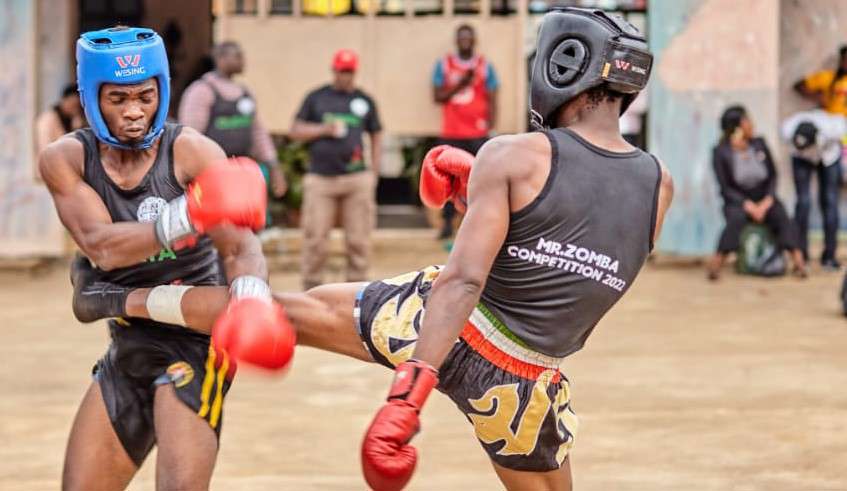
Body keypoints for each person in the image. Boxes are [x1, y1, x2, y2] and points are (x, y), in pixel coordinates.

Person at [71, 9, 672, 491]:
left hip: (441, 323)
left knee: (281, 311)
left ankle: (123, 298)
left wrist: (407, 397)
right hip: (525, 377)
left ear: (563, 65)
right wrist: (483, 197)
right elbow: (582, 261)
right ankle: (120, 300)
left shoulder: (514, 155)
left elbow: (464, 281)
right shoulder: (657, 184)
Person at [39, 27, 293, 491]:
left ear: (162, 90)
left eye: (145, 96)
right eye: (118, 99)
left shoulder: (192, 150)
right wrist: (191, 213)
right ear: (91, 98)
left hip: (195, 339)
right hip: (131, 338)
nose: (135, 111)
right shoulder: (67, 159)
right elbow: (101, 246)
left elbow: (240, 246)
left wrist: (251, 298)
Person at [289, 49, 383, 290]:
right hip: (321, 179)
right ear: (334, 70)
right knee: (316, 239)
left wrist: (374, 171)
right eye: (341, 71)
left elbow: (376, 134)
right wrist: (324, 129)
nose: (345, 76)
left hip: (356, 178)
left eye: (349, 71)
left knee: (358, 240)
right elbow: (296, 130)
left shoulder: (365, 100)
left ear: (355, 72)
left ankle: (356, 293)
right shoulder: (316, 98)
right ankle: (311, 290)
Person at [706, 105, 806, 280]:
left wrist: (768, 200)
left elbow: (773, 175)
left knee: (781, 216)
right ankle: (717, 262)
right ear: (736, 127)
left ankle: (798, 261)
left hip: (765, 198)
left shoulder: (759, 144)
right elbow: (725, 188)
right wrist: (748, 206)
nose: (751, 124)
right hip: (738, 201)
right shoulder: (721, 152)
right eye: (747, 120)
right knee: (736, 220)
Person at [179, 41, 287, 200]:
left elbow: (258, 132)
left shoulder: (244, 92)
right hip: (211, 173)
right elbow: (190, 135)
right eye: (237, 56)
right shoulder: (202, 90)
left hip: (243, 170)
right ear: (220, 59)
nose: (243, 60)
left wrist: (273, 165)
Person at [432, 24, 499, 238]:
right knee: (449, 181)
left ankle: (477, 222)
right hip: (452, 132)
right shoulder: (444, 65)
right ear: (456, 41)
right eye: (461, 38)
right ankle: (447, 224)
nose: (465, 41)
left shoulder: (484, 66)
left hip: (477, 133)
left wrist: (491, 124)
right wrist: (460, 84)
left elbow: (493, 96)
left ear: (474, 40)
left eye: (468, 38)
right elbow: (438, 97)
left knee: (479, 179)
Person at [781, 109, 845, 270]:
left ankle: (829, 256)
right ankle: (801, 256)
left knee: (830, 202)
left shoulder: (833, 128)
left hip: (829, 157)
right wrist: (803, 150)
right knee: (803, 202)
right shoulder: (788, 129)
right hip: (801, 158)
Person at [794, 45, 847, 117]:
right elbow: (800, 85)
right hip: (830, 119)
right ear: (841, 61)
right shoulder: (828, 77)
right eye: (845, 59)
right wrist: (816, 96)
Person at [35, 83, 85, 156]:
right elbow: (44, 147)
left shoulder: (73, 120)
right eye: (73, 105)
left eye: (78, 107)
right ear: (64, 100)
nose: (75, 109)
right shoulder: (47, 119)